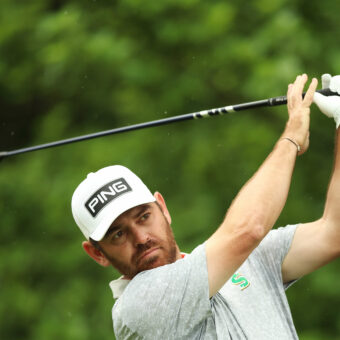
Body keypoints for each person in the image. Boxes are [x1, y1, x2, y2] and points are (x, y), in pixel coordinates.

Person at [71, 73, 340, 339]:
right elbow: (248, 230)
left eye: (143, 217)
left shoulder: (244, 259)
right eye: (118, 234)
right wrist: (291, 138)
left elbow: (333, 233)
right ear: (97, 254)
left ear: (163, 208)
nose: (140, 238)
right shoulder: (136, 309)